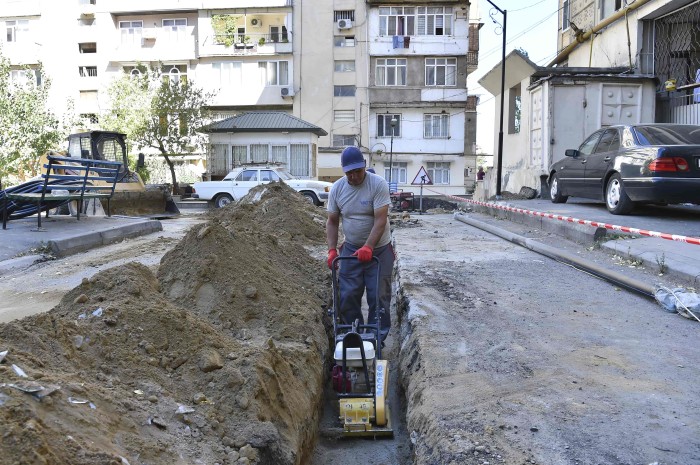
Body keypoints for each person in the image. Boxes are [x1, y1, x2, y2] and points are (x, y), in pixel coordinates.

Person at [326, 146, 394, 343]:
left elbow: (380, 220)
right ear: (344, 170)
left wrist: (369, 246)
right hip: (351, 249)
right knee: (347, 295)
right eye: (349, 172)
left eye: (358, 171)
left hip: (379, 250)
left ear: (364, 166)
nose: (354, 176)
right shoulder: (338, 189)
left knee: (378, 296)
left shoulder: (378, 184)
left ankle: (376, 339)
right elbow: (332, 221)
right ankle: (352, 335)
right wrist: (331, 250)